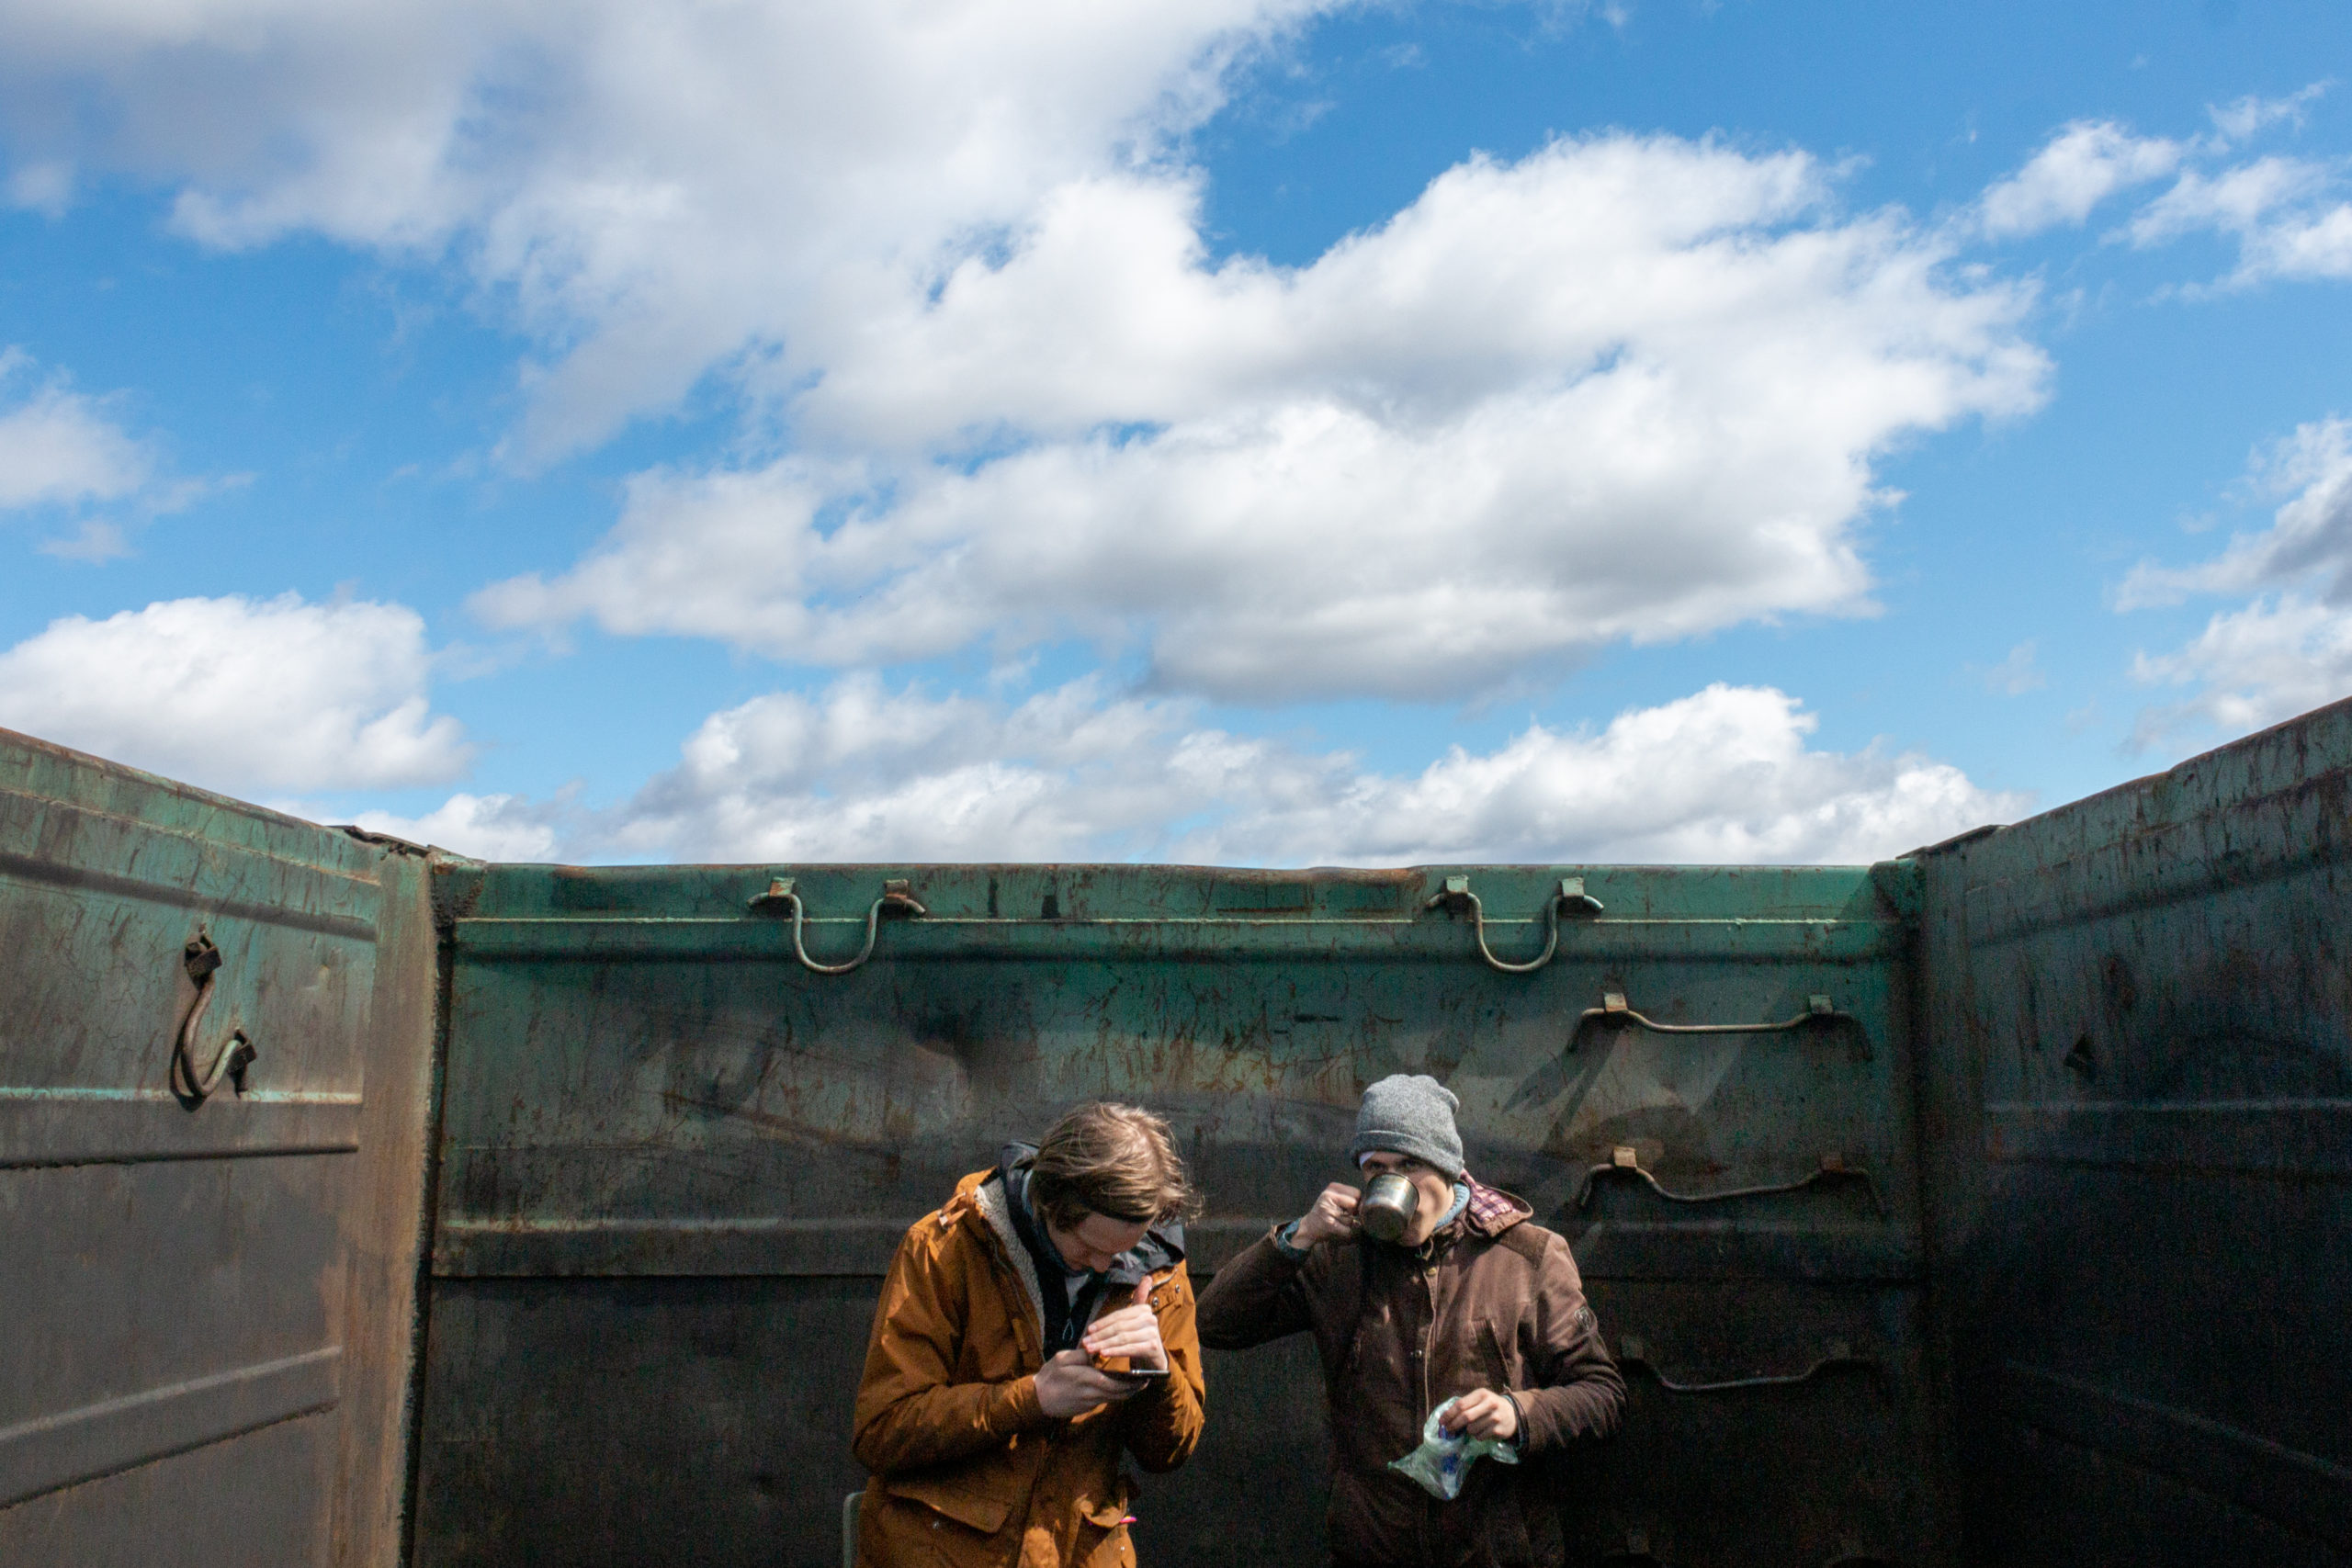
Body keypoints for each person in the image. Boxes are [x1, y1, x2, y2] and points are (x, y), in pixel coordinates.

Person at [1196, 1074, 1624, 1568]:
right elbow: (1214, 1324)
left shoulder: (1527, 1257)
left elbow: (1603, 1396)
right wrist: (1296, 1237)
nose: (1393, 1180)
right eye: (1376, 1166)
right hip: (1371, 1550)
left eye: (1409, 1164)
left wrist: (1520, 1415)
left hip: (1495, 1552)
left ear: (1447, 1167)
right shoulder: (1341, 1260)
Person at [852, 1101, 1205, 1568]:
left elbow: (1171, 1451)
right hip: (941, 1551)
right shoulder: (946, 1248)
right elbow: (881, 1430)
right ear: (1050, 1200)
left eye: (1124, 1250)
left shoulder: (1158, 1270)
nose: (1106, 1266)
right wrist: (1032, 1398)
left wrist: (1156, 1374)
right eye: (1090, 1247)